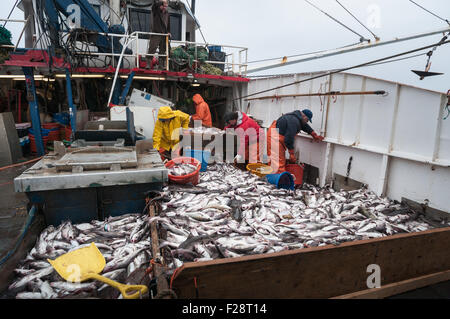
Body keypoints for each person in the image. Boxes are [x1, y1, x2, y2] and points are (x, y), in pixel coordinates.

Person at [267, 109, 324, 173]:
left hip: (278, 137)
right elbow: (289, 138)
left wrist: (314, 134)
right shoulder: (294, 121)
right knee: (277, 161)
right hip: (274, 137)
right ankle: (277, 180)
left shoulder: (297, 118)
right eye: (307, 120)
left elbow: (305, 126)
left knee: (281, 160)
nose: (307, 122)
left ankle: (277, 177)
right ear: (304, 116)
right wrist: (291, 154)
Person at [146, 0, 170, 70]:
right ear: (161, 5)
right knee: (152, 48)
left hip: (164, 34)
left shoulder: (167, 13)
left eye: (166, 6)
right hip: (156, 33)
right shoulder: (156, 11)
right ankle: (148, 64)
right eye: (164, 5)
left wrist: (168, 31)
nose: (165, 7)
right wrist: (161, 2)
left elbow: (168, 24)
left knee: (163, 51)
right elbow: (154, 6)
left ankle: (161, 66)